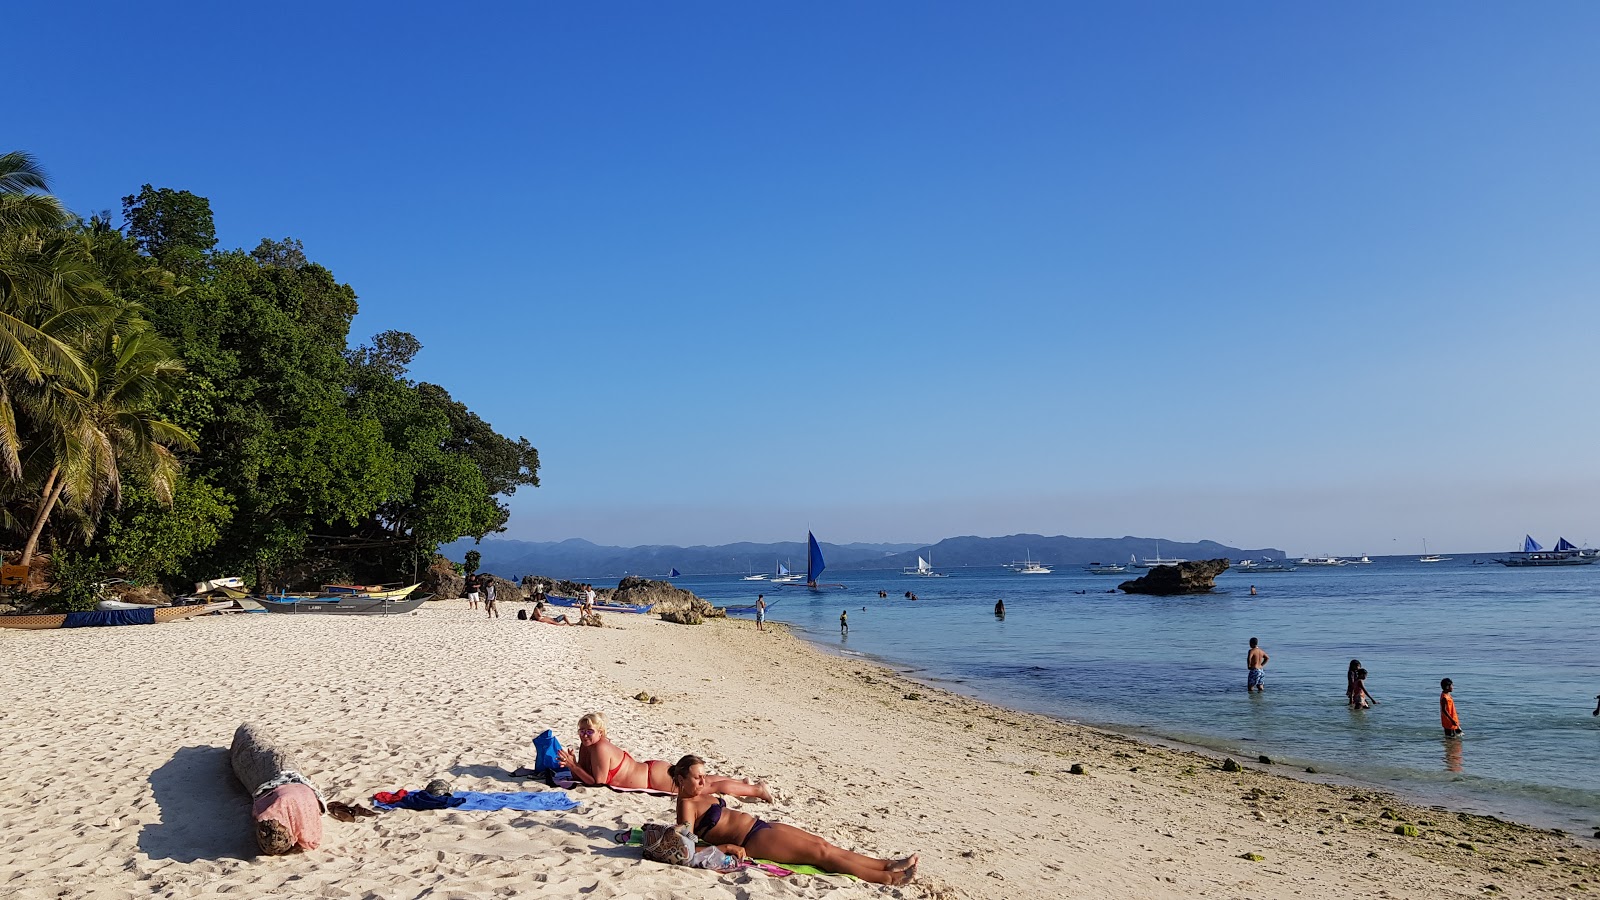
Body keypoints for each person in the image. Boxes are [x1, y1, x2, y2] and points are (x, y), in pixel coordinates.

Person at [669, 755, 916, 885]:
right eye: (697, 778)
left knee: (823, 843)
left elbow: (722, 785)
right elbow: (686, 849)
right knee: (821, 855)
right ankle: (886, 879)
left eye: (703, 775)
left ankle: (886, 864)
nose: (703, 782)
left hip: (760, 826)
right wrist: (726, 848)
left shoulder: (700, 792)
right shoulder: (686, 806)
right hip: (753, 840)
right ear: (681, 780)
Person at [557, 713, 771, 799]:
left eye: (589, 731)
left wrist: (573, 767)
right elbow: (585, 772)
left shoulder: (601, 747)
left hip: (653, 777)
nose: (584, 735)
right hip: (651, 770)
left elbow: (598, 782)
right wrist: (573, 763)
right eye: (581, 731)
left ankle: (756, 790)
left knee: (706, 788)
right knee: (699, 782)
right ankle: (740, 782)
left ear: (601, 732)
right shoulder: (588, 745)